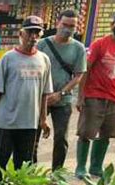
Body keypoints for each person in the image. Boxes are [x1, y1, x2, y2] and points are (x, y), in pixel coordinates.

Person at [0, 16, 52, 174]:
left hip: (29, 123)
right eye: (29, 32)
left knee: (23, 166)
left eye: (37, 32)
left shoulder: (44, 60)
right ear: (21, 34)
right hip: (5, 123)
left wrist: (43, 119)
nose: (33, 36)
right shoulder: (8, 58)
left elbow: (44, 94)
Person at [75, 9, 115, 179]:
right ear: (112, 24)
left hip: (114, 96)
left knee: (107, 133)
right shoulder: (99, 44)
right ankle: (80, 167)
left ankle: (96, 167)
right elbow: (86, 69)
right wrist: (81, 96)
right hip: (94, 94)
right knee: (87, 132)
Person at [34, 10, 87, 170]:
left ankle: (57, 174)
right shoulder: (42, 44)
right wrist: (44, 94)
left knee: (60, 138)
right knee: (33, 136)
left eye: (72, 26)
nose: (67, 29)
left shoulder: (78, 48)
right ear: (57, 23)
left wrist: (61, 93)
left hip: (63, 100)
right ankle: (29, 172)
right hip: (40, 99)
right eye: (65, 25)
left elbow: (78, 76)